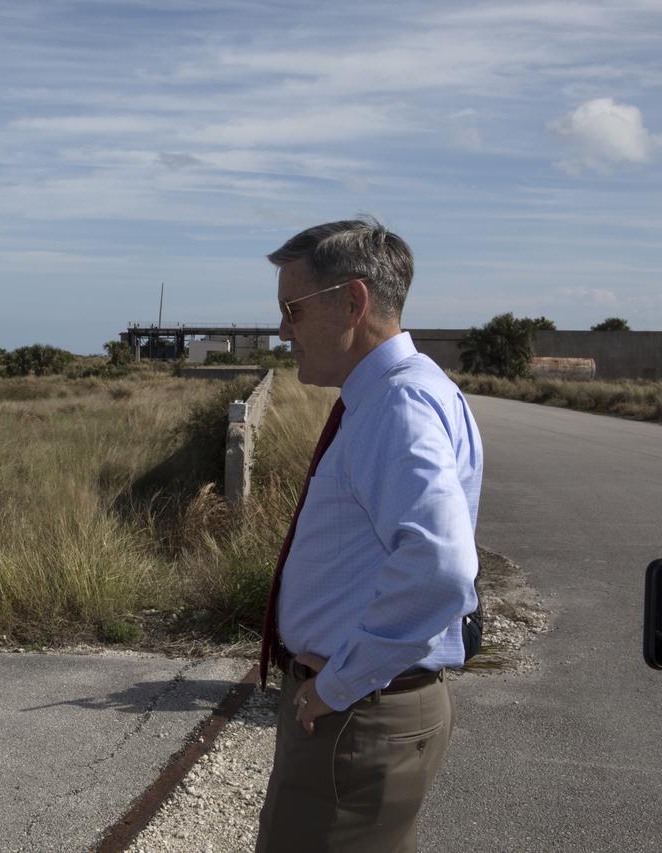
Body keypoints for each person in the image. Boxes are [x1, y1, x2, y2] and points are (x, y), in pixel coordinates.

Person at [255, 218, 483, 853]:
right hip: (367, 710)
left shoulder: (396, 406)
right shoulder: (399, 394)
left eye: (292, 310)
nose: (283, 331)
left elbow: (440, 568)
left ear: (351, 302)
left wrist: (336, 685)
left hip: (358, 715)